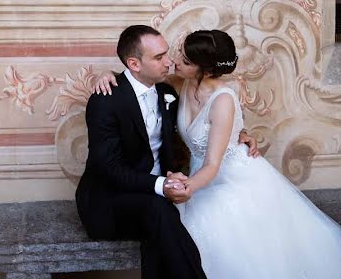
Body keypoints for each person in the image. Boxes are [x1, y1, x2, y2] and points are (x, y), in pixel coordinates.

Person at [96, 29, 341, 279]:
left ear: (203, 69)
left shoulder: (209, 96)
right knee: (176, 225)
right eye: (171, 54)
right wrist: (108, 76)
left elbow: (215, 155)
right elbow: (134, 79)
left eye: (183, 59)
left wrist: (187, 184)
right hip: (190, 178)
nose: (173, 61)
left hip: (227, 178)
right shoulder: (177, 85)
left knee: (207, 230)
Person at [75, 25, 259, 279]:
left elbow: (211, 113)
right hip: (108, 201)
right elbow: (109, 168)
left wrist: (239, 132)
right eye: (159, 57)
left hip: (159, 197)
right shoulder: (106, 100)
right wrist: (163, 185)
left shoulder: (167, 91)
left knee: (160, 224)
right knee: (160, 211)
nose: (169, 62)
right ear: (134, 64)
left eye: (167, 54)